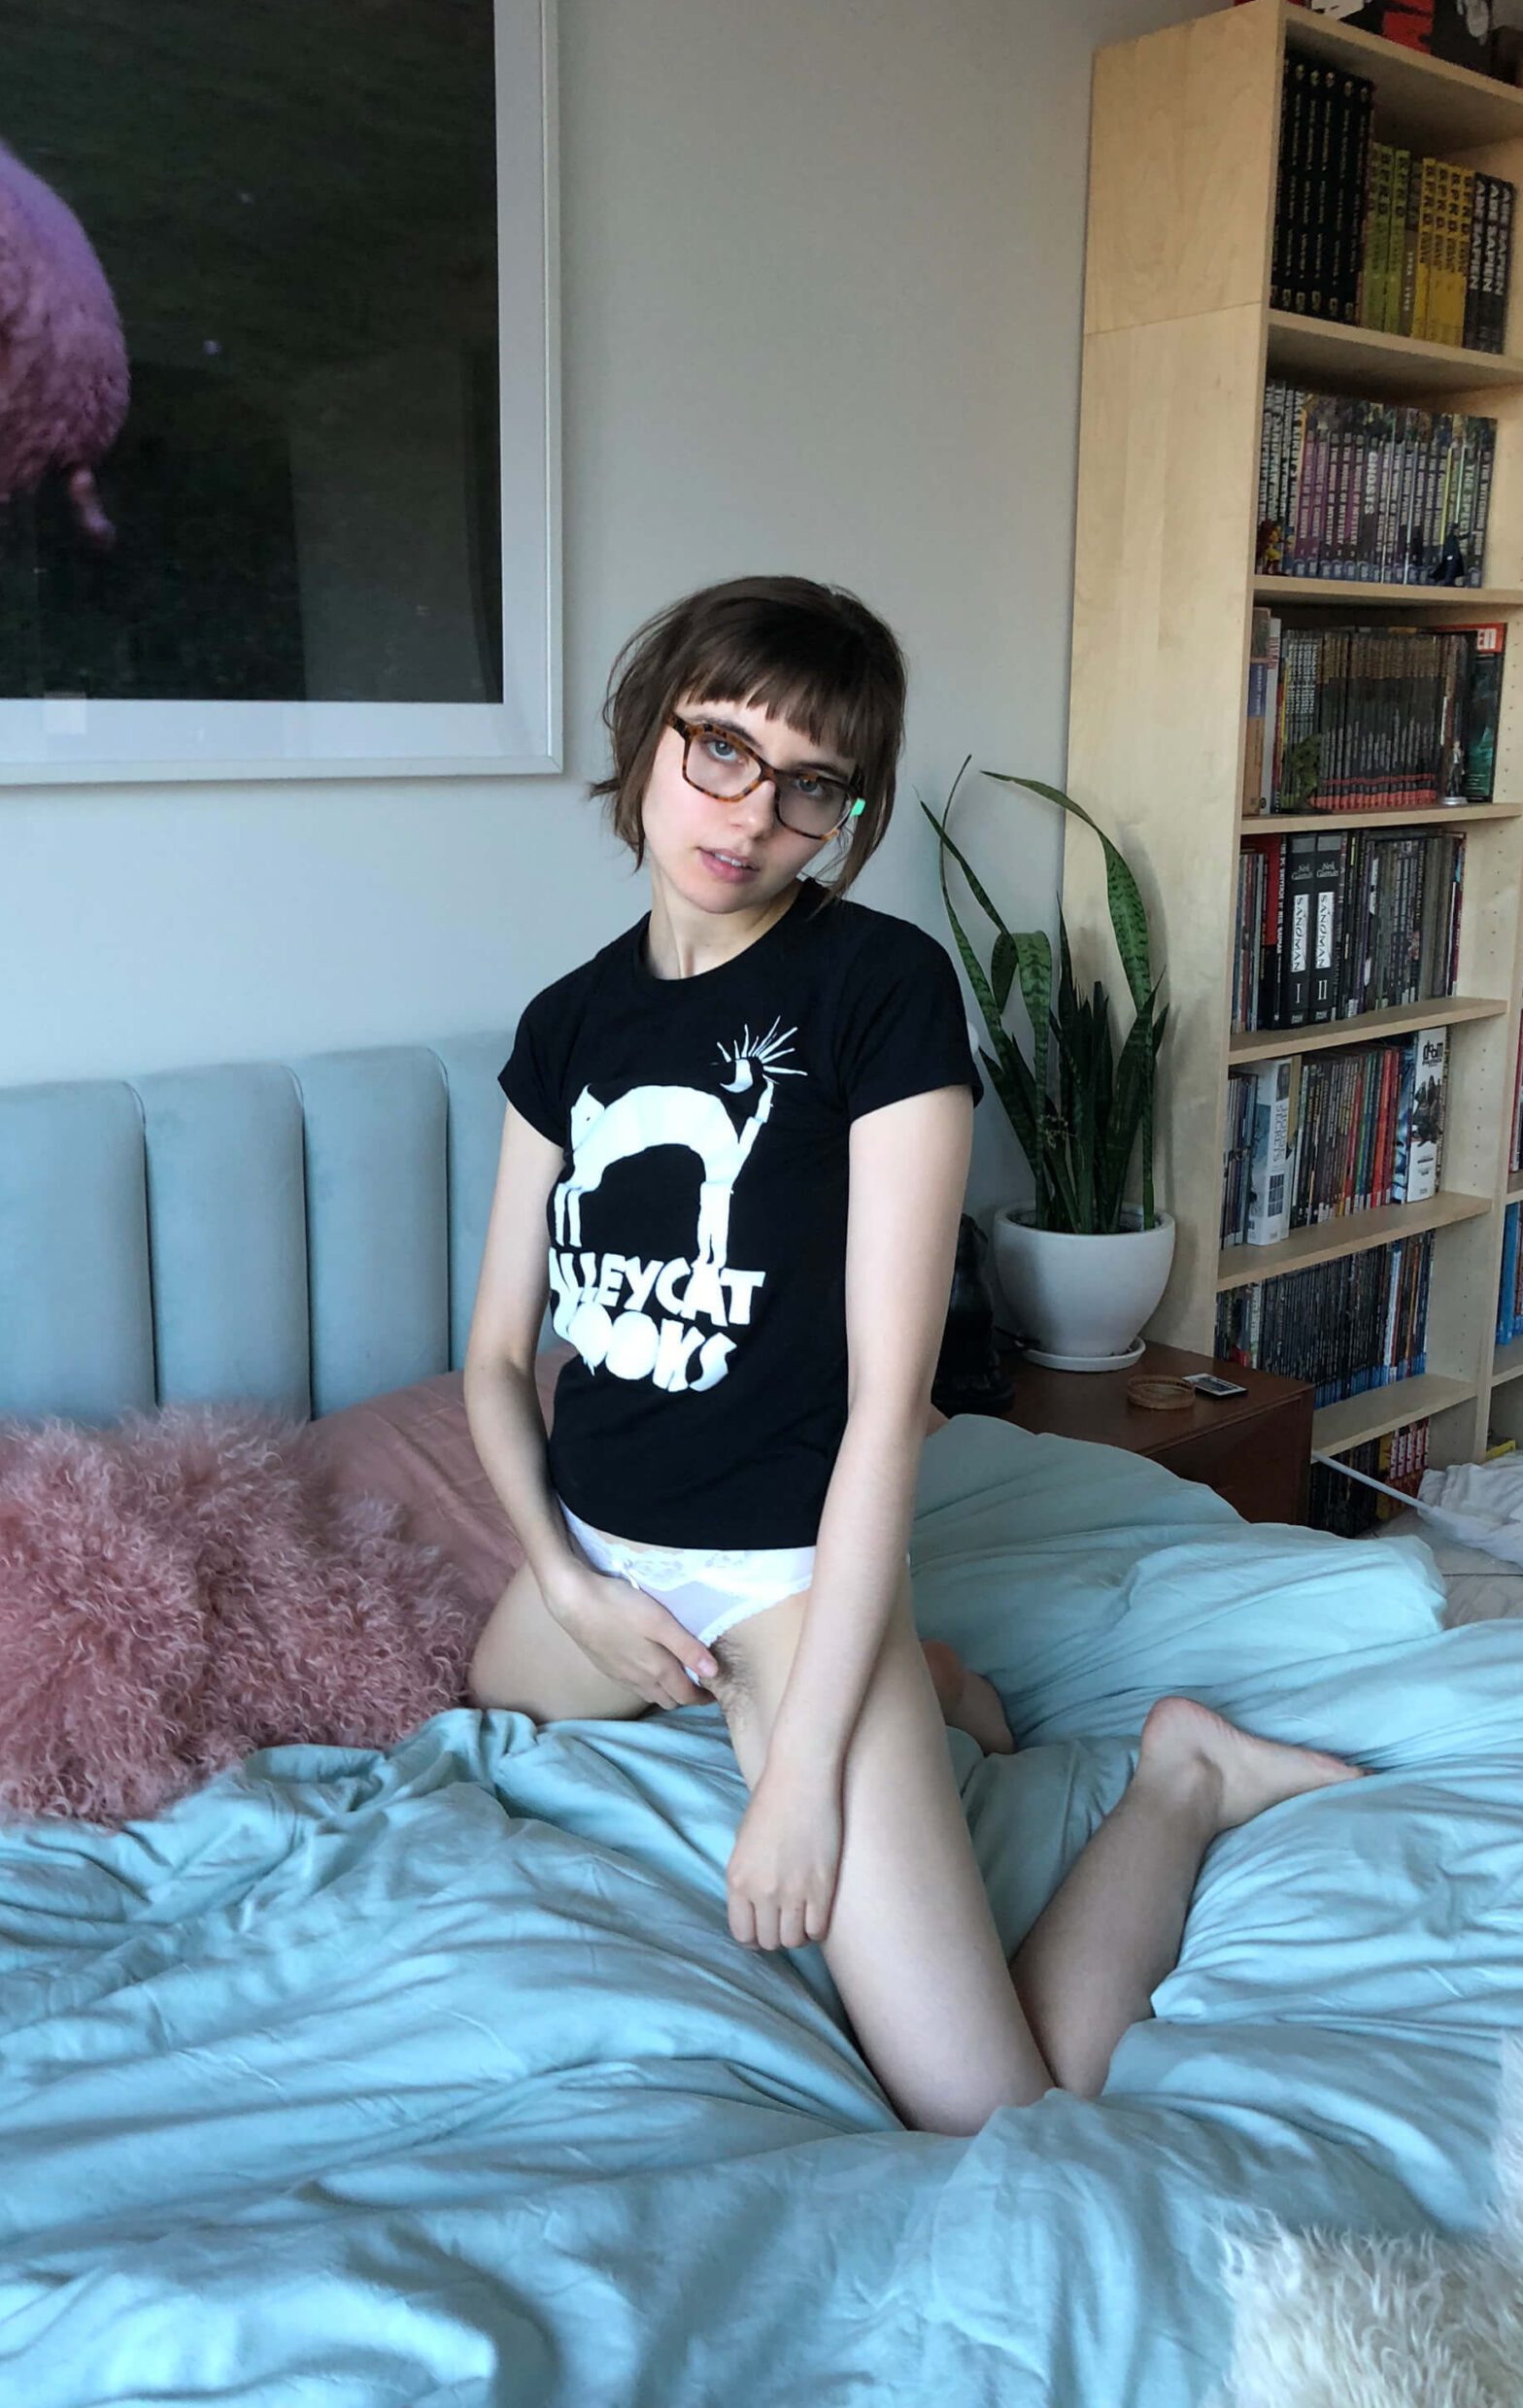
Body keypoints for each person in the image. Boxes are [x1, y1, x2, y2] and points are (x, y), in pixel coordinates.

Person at [462, 575, 1361, 2136]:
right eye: (722, 747)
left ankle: (1185, 1776)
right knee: (484, 1699)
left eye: (813, 786)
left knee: (993, 2104)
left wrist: (803, 1778)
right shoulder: (567, 1025)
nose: (754, 814)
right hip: (603, 1557)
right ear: (648, 731)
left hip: (790, 1582)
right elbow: (489, 1362)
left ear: (847, 813)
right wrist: (566, 1583)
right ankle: (942, 1690)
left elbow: (895, 1401)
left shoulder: (875, 989)